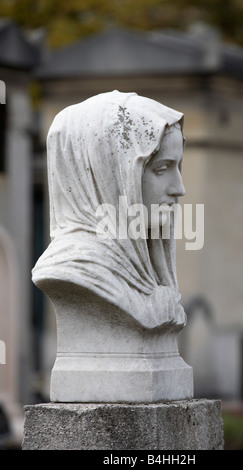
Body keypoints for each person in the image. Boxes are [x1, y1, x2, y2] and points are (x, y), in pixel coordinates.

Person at [32, 90, 187, 330]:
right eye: (162, 168)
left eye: (178, 167)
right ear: (109, 172)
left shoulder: (145, 274)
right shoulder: (77, 267)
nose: (179, 188)